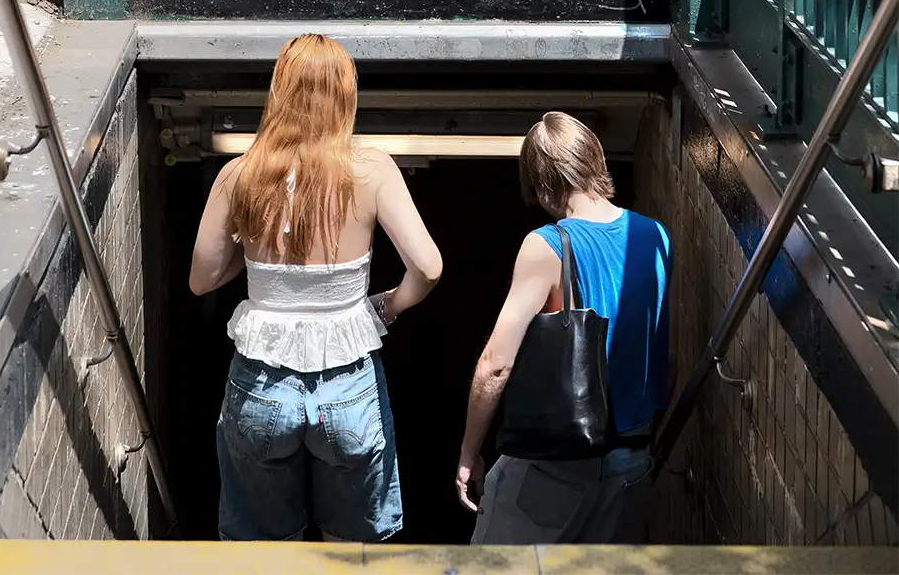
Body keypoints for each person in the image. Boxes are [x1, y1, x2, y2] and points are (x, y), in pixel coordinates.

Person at [190, 33, 442, 542]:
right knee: (353, 553)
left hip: (260, 385)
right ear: (345, 95)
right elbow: (429, 267)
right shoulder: (371, 170)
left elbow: (202, 281)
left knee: (262, 550)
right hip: (348, 384)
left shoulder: (240, 175)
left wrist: (256, 261)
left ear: (279, 92)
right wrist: (388, 307)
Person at [456, 112, 671, 544]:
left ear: (543, 185)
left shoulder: (547, 245)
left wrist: (469, 452)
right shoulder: (656, 237)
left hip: (556, 469)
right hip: (631, 469)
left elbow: (496, 364)